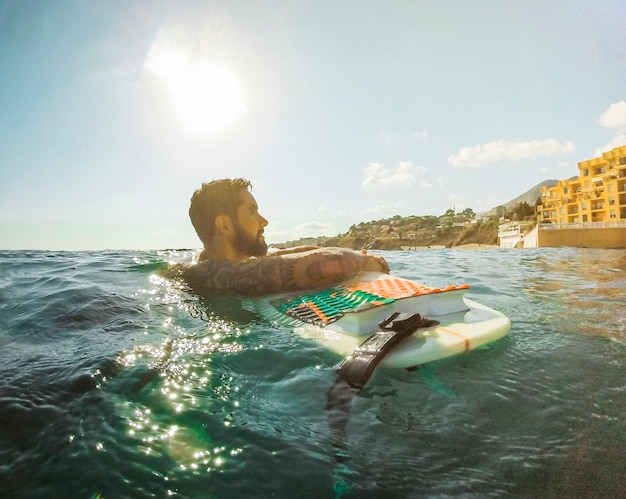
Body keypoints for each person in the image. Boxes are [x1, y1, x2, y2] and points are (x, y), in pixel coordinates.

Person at [179, 178, 389, 297]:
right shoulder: (202, 273)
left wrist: (353, 255)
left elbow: (281, 255)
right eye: (252, 212)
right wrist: (364, 262)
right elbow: (315, 266)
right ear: (225, 225)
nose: (264, 221)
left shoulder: (235, 260)